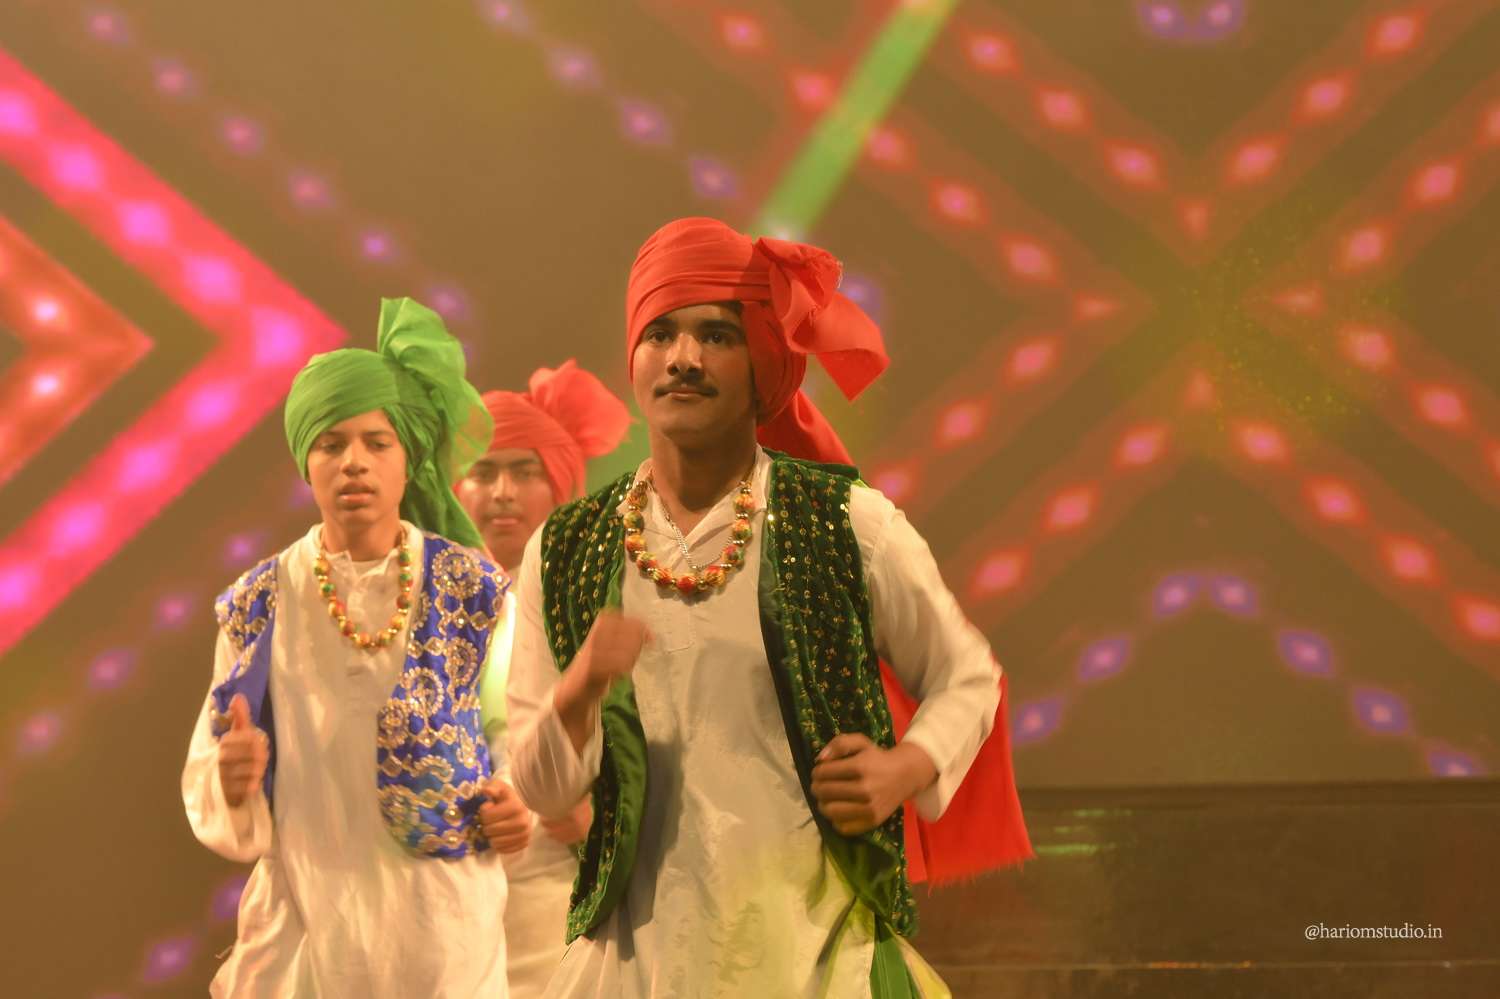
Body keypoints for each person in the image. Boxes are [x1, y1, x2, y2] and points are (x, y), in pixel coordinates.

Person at [505, 218, 1030, 998]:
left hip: (816, 957)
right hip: (633, 966)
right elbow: (545, 793)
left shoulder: (846, 522)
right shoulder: (566, 547)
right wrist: (579, 691)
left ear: (763, 364)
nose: (683, 357)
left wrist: (905, 767)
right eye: (660, 333)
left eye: (716, 335)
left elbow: (968, 675)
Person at [181, 298, 532, 997]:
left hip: (441, 934)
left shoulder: (475, 592)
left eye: (377, 443)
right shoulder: (259, 605)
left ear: (409, 460)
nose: (354, 464)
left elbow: (518, 731)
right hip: (306, 932)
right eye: (331, 444)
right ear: (305, 462)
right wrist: (232, 776)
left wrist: (515, 799)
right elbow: (207, 768)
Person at [456, 361, 631, 997]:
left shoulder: (601, 600)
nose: (502, 491)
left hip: (563, 878)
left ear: (559, 483)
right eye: (484, 471)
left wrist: (599, 822)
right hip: (447, 878)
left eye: (524, 471)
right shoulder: (417, 603)